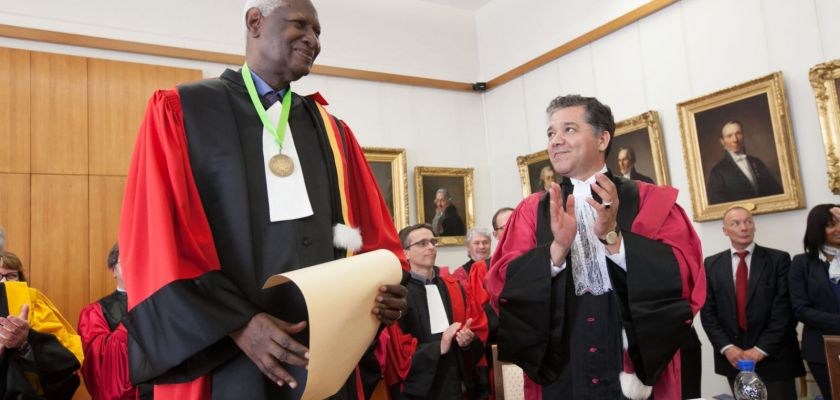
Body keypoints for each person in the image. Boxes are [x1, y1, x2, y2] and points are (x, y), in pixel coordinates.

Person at [118, 0, 409, 398]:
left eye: (318, 32)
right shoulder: (184, 111)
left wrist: (384, 286)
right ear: (255, 22)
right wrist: (238, 323)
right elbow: (158, 243)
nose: (314, 40)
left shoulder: (332, 132)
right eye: (300, 25)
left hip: (324, 351)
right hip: (227, 356)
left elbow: (365, 236)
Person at [486, 95, 705, 399]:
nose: (556, 141)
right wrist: (557, 249)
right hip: (560, 362)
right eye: (551, 133)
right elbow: (502, 284)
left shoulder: (651, 201)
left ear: (603, 139)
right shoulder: (532, 210)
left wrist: (614, 237)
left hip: (631, 357)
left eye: (569, 130)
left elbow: (684, 276)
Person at [701, 206, 805, 400]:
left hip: (775, 357)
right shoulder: (711, 264)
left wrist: (760, 350)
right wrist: (727, 348)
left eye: (748, 221)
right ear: (725, 230)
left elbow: (785, 311)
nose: (744, 227)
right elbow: (707, 312)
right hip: (734, 360)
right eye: (736, 223)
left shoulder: (778, 260)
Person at [380, 224, 488, 399]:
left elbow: (476, 335)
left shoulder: (455, 289)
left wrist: (467, 341)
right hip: (419, 390)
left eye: (432, 241)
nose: (430, 247)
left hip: (455, 383)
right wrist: (439, 346)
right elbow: (398, 352)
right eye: (422, 243)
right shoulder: (398, 295)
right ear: (405, 252)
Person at [0, 251, 84, 399]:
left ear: (20, 278)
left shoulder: (33, 300)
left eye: (11, 276)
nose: (4, 282)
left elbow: (65, 358)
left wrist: (26, 342)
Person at [78, 243, 152, 400]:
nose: (134, 264)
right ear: (113, 270)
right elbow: (100, 365)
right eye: (126, 259)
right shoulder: (95, 312)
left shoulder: (164, 301)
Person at [789, 204, 840, 400]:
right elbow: (801, 310)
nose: (838, 229)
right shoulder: (802, 263)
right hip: (822, 350)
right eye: (830, 225)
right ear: (818, 229)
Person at [706, 120, 783, 204]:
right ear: (722, 141)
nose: (735, 139)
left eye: (738, 134)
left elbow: (777, 192)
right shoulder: (717, 172)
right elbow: (718, 206)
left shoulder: (757, 162)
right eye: (729, 136)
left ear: (743, 135)